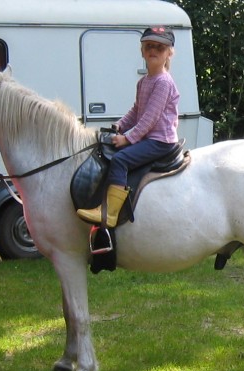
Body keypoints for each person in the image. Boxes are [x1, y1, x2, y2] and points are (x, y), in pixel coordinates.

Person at [76, 26, 181, 227]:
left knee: (120, 159)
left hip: (160, 141)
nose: (153, 50)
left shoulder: (163, 82)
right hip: (148, 138)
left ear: (169, 53)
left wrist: (128, 139)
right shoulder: (144, 82)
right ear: (142, 51)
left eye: (159, 47)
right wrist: (120, 125)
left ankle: (110, 213)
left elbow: (150, 118)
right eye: (149, 46)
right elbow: (137, 110)